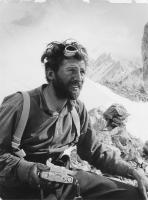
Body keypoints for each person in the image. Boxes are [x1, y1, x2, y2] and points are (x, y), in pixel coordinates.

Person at [0, 39, 148, 200]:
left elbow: (95, 152)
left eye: (82, 72)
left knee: (135, 196)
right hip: (24, 190)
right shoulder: (20, 105)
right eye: (71, 70)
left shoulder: (78, 110)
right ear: (50, 73)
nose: (79, 78)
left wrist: (133, 171)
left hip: (64, 179)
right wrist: (30, 170)